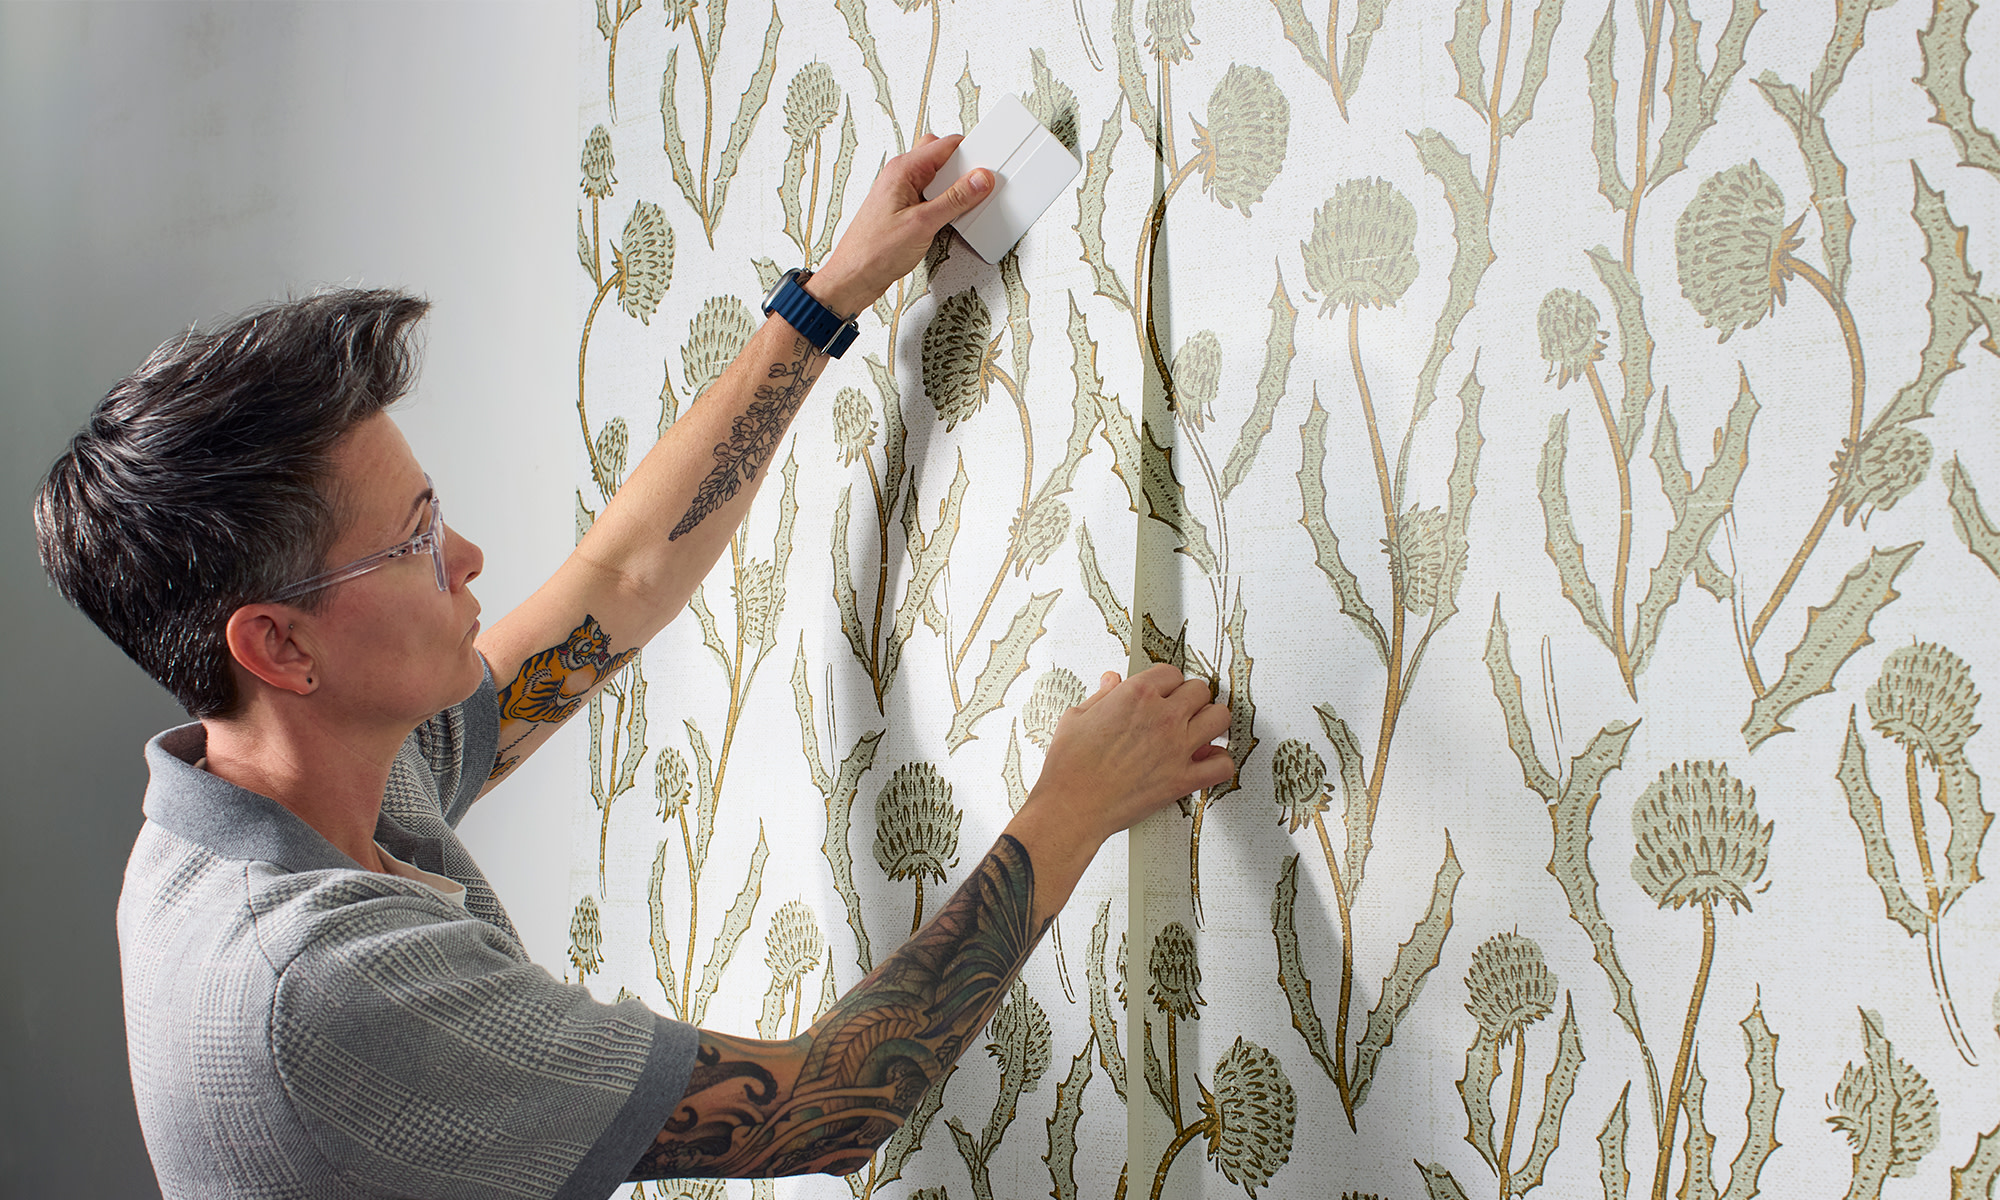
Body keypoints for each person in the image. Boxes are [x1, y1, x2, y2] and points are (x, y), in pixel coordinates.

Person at [35, 133, 1235, 1199]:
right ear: (277, 644)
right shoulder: (326, 986)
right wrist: (1073, 802)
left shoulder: (300, 771)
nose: (464, 556)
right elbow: (825, 1107)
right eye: (409, 545)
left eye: (433, 511)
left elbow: (615, 588)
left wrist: (827, 299)